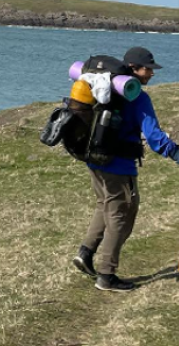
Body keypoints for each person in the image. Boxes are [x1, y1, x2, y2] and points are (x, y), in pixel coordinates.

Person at [72, 46, 179, 291]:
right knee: (121, 216)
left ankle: (86, 253)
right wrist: (175, 153)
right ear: (133, 68)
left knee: (105, 204)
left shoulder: (104, 90)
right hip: (119, 166)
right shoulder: (137, 97)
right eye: (147, 69)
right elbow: (154, 138)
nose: (151, 73)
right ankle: (107, 275)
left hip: (95, 160)